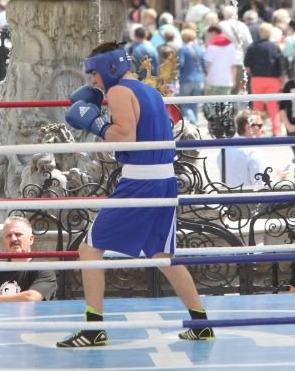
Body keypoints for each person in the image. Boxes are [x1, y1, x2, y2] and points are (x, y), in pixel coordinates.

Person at [59, 43, 212, 348]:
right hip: (164, 180)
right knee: (163, 255)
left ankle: (93, 328)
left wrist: (95, 123)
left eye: (94, 74)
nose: (93, 81)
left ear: (108, 68)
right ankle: (200, 324)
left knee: (89, 250)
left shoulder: (118, 93)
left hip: (140, 181)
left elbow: (125, 136)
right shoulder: (150, 91)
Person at [0, 216, 57, 302]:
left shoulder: (43, 268)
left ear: (31, 239)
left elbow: (31, 298)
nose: (13, 239)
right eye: (9, 235)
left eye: (18, 234)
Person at [216, 110, 284, 190]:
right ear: (248, 128)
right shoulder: (252, 152)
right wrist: (278, 178)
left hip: (227, 199)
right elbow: (261, 187)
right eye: (259, 126)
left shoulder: (225, 149)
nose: (262, 130)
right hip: (249, 200)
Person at [244, 23, 286, 135]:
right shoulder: (275, 46)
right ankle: (276, 130)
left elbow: (247, 66)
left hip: (257, 79)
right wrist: (281, 78)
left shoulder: (252, 46)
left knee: (257, 106)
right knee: (273, 105)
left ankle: (257, 130)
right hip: (273, 79)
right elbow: (281, 63)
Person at [176, 28, 205, 125]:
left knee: (185, 105)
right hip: (199, 80)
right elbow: (204, 64)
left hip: (186, 79)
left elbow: (181, 63)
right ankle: (195, 125)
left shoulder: (183, 49)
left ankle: (193, 121)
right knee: (194, 104)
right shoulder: (199, 48)